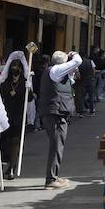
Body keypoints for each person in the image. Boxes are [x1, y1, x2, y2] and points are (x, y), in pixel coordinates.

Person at [38, 49, 82, 189]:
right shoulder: (56, 71)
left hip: (58, 113)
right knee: (56, 146)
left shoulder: (58, 74)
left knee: (58, 145)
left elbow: (71, 81)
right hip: (55, 114)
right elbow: (78, 61)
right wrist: (73, 54)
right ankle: (50, 179)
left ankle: (54, 176)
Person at [0, 50, 31, 179]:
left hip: (19, 114)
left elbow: (30, 99)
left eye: (17, 66)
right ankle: (7, 163)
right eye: (13, 66)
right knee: (5, 141)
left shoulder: (25, 81)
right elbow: (0, 96)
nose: (15, 68)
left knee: (16, 141)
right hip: (7, 114)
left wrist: (29, 89)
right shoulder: (5, 82)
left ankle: (12, 167)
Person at [77, 51, 98, 117]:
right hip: (90, 80)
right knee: (91, 96)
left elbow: (77, 74)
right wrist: (93, 77)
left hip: (82, 81)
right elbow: (94, 70)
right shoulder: (90, 61)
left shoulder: (78, 63)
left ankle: (81, 112)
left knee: (81, 97)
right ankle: (92, 111)